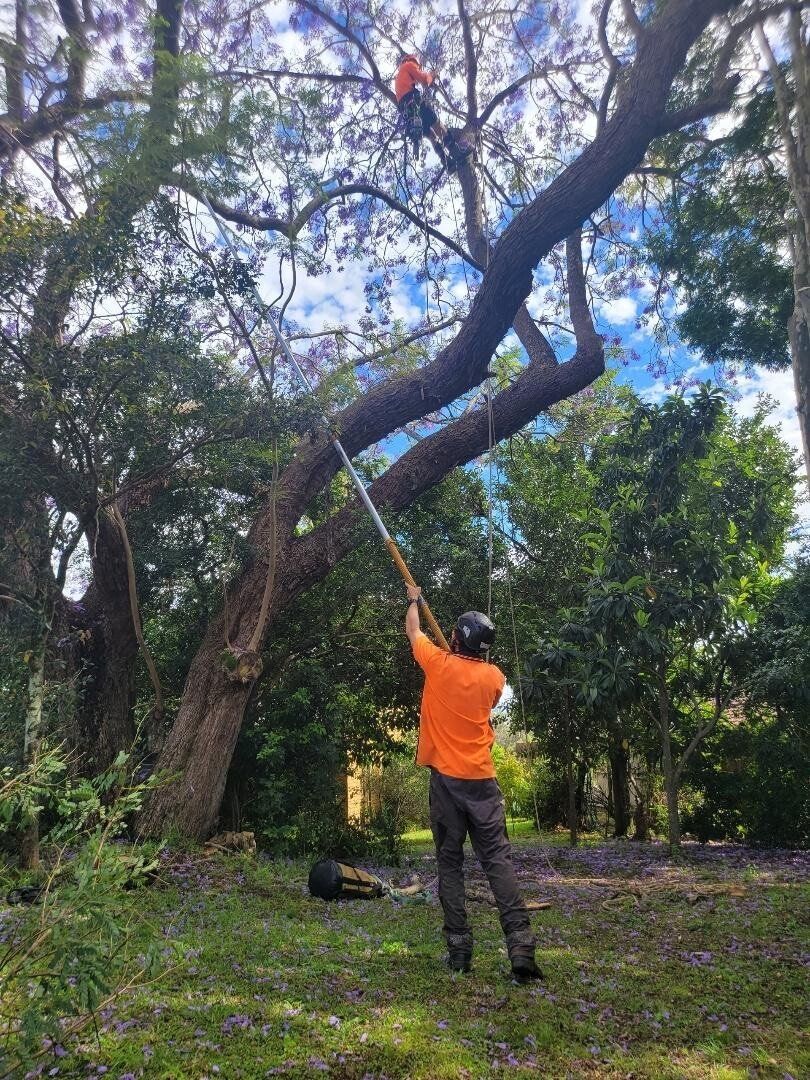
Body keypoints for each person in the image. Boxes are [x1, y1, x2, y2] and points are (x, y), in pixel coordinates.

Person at [404, 582, 542, 983]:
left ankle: (460, 951)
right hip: (482, 781)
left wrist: (414, 600)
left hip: (447, 783)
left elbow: (414, 631)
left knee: (450, 863)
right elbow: (471, 671)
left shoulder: (438, 664)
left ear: (456, 640)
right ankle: (521, 949)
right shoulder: (494, 678)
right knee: (497, 860)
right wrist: (456, 653)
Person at [394, 53, 473, 173]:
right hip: (415, 103)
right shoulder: (409, 65)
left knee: (431, 135)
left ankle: (447, 162)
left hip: (408, 114)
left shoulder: (399, 77)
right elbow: (424, 79)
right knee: (437, 125)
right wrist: (432, 75)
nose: (418, 67)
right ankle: (457, 153)